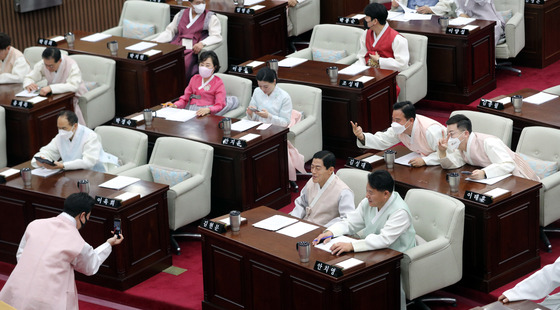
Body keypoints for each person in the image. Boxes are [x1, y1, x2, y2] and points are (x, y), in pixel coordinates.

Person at [312, 170, 415, 310]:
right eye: (367, 191)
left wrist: (351, 245)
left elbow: (384, 240)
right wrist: (331, 231)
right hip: (371, 248)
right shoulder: (369, 202)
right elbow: (351, 222)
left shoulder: (399, 212)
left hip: (395, 255)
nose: (367, 196)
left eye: (371, 192)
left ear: (385, 194)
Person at [0, 193, 124, 309]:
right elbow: (90, 266)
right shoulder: (78, 242)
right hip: (46, 301)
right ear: (82, 216)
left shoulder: (34, 224)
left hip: (15, 291)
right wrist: (109, 244)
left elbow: (21, 255)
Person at [246, 67, 306, 187]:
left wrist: (269, 116)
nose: (262, 89)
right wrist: (251, 113)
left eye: (266, 86)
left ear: (274, 81)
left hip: (275, 128)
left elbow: (284, 122)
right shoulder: (257, 91)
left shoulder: (284, 97)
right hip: (258, 126)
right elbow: (251, 111)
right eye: (260, 86)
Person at [438, 114, 539, 181]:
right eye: (447, 134)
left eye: (451, 134)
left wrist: (484, 173)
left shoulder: (488, 142)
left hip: (520, 177)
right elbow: (454, 164)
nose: (449, 138)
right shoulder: (461, 146)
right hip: (497, 178)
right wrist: (442, 152)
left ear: (465, 133)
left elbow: (508, 164)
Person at [350, 101, 446, 167]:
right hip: (421, 159)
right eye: (393, 119)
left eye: (398, 120)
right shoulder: (399, 128)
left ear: (411, 120)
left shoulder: (430, 130)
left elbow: (447, 153)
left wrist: (425, 161)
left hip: (444, 164)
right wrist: (362, 136)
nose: (394, 123)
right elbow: (383, 139)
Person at [153, 0, 222, 82]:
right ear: (190, 4)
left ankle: (181, 90)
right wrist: (155, 41)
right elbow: (169, 31)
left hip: (193, 48)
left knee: (183, 64)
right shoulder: (181, 14)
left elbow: (216, 36)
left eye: (203, 2)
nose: (201, 5)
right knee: (162, 60)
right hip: (177, 45)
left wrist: (202, 43)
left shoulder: (210, 17)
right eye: (198, 3)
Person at [31, 110, 117, 172]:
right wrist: (42, 160)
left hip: (94, 173)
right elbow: (48, 151)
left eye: (64, 128)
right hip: (71, 172)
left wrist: (63, 165)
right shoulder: (60, 137)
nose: (61, 131)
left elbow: (88, 162)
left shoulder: (90, 136)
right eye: (59, 128)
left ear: (75, 126)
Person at [289, 151, 355, 227]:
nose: (313, 171)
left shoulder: (343, 191)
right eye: (312, 167)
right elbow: (301, 203)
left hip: (323, 231)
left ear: (330, 170)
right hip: (304, 225)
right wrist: (293, 220)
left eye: (317, 168)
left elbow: (346, 219)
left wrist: (326, 230)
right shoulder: (312, 181)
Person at [23, 47, 87, 125]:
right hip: (53, 95)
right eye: (46, 65)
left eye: (51, 66)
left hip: (72, 95)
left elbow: (74, 86)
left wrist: (51, 88)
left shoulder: (71, 64)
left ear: (59, 61)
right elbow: (30, 77)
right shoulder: (45, 63)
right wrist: (29, 84)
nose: (47, 68)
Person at [165, 51, 226, 116]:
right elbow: (185, 99)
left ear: (215, 67)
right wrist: (175, 105)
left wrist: (208, 109)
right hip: (191, 110)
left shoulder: (218, 83)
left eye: (207, 65)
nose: (204, 68)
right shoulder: (194, 78)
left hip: (207, 112)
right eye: (202, 65)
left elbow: (220, 104)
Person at [356, 3, 409, 72]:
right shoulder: (366, 33)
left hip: (387, 74)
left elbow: (402, 65)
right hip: (368, 71)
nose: (365, 20)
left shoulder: (397, 39)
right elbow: (362, 56)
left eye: (367, 17)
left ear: (375, 21)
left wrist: (380, 60)